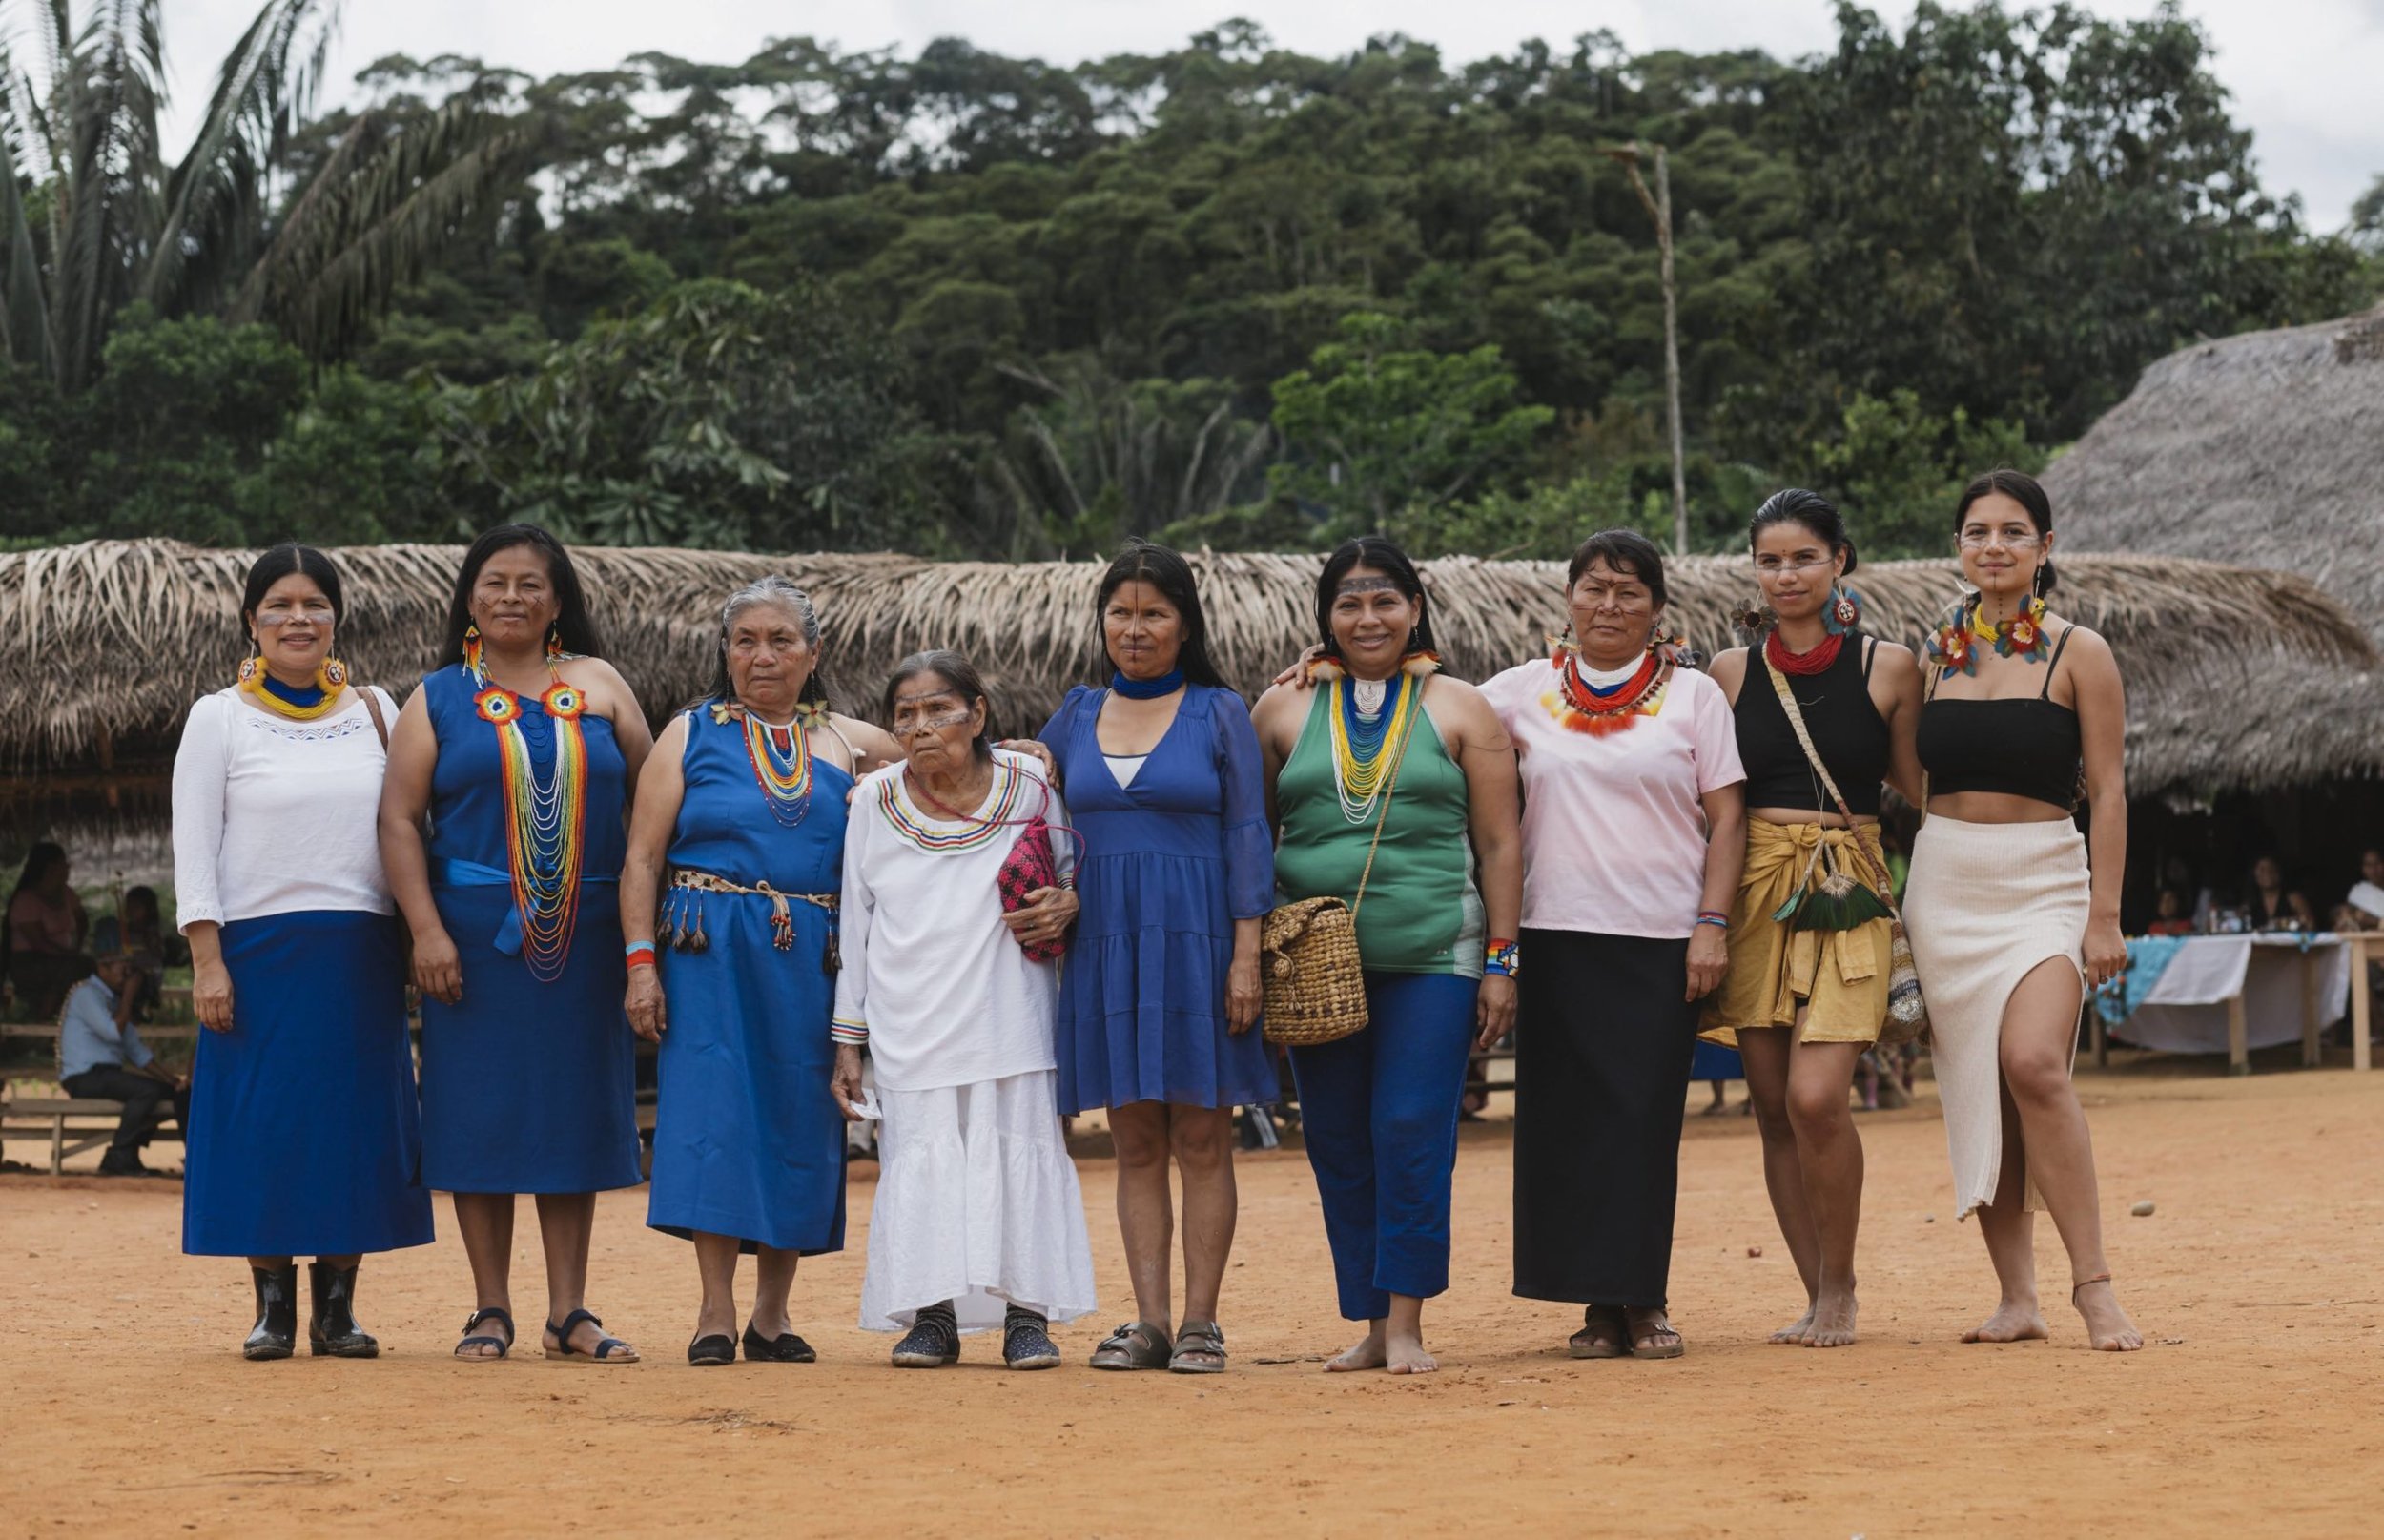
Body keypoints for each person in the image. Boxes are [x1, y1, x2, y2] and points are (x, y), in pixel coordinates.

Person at [380, 524, 652, 1365]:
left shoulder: (601, 684)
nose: (511, 597)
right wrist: (426, 931)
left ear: (557, 601)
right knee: (480, 1115)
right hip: (470, 946)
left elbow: (657, 795)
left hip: (589, 940)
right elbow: (396, 819)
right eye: (495, 582)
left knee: (572, 1114)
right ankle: (489, 1307)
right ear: (469, 597)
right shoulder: (436, 697)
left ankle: (569, 1310)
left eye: (531, 584)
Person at [1251, 536, 1522, 1376]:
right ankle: (1368, 1322)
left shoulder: (1463, 708)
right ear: (1325, 616)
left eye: (1385, 601)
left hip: (1436, 954)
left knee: (1409, 1124)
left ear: (1416, 608)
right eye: (1349, 603)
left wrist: (1503, 964)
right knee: (1335, 1135)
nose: (1368, 618)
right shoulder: (1281, 710)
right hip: (1314, 966)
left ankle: (1406, 1322)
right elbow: (1253, 840)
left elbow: (1501, 841)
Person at [1477, 529, 1746, 1361]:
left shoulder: (1695, 696)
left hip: (1663, 937)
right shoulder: (1520, 692)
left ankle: (1644, 1300)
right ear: (1568, 598)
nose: (1609, 604)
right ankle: (1596, 1305)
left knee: (1642, 1121)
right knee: (1563, 1124)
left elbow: (1728, 816)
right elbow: (1429, 712)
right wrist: (1321, 667)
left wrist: (1711, 922)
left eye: (1630, 591)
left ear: (1658, 608)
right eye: (1594, 587)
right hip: (1554, 932)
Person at [622, 577, 897, 1367]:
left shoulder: (851, 743)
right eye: (745, 640)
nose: (762, 655)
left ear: (814, 654)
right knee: (715, 1117)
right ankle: (715, 1311)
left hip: (812, 958)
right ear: (725, 651)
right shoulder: (689, 735)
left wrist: (1021, 751)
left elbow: (948, 759)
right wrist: (641, 966)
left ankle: (772, 1316)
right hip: (706, 950)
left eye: (781, 640)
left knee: (798, 1115)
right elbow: (641, 856)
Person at [173, 543, 434, 1359]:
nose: (298, 618)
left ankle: (339, 1309)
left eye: (314, 604)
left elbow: (409, 831)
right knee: (266, 1126)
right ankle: (273, 1308)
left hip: (358, 949)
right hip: (256, 952)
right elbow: (194, 845)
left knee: (352, 1124)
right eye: (279, 604)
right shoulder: (218, 716)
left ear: (336, 618)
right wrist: (207, 958)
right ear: (251, 621)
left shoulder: (378, 711)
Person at [1902, 468, 2142, 1351]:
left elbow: (2110, 792)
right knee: (1977, 1086)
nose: (1993, 546)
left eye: (2013, 532)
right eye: (1977, 532)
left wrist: (2105, 914)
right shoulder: (1933, 651)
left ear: (2045, 547)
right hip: (1945, 880)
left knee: (2034, 1063)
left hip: (2045, 877)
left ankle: (2096, 1286)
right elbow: (1906, 776)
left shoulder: (2082, 651)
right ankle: (2017, 1296)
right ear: (1958, 548)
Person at [1032, 542, 1273, 1375]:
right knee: (1134, 1141)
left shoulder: (1219, 712)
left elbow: (1249, 838)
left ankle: (1203, 1322)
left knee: (1204, 1138)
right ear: (1103, 621)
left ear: (1184, 623)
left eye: (1154, 613)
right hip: (1105, 946)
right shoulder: (1070, 716)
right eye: (1122, 613)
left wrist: (1247, 956)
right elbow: (1028, 824)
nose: (1135, 629)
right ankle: (1149, 1322)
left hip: (1201, 945)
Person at [1700, 490, 1923, 1349]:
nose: (1785, 573)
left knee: (1816, 1095)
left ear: (1840, 561)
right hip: (1757, 886)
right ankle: (1813, 1290)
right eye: (1769, 559)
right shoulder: (1726, 671)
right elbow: (1702, 799)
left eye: (1803, 557)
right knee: (1771, 1106)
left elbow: (1919, 787)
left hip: (1850, 886)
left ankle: (1843, 1283)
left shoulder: (1891, 666)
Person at [831, 650, 1097, 1369]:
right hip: (909, 1020)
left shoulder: (1031, 784)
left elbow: (1069, 880)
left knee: (1021, 1151)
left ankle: (1027, 1315)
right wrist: (848, 1041)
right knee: (921, 1156)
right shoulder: (875, 802)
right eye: (905, 715)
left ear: (978, 714)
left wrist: (1064, 903)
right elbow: (855, 927)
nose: (920, 727)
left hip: (1013, 1013)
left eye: (938, 709)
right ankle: (932, 1315)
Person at [58, 955, 188, 1177]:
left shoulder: (113, 1001)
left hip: (106, 1075)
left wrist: (172, 1080)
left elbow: (137, 1052)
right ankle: (119, 1154)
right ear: (103, 968)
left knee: (172, 1093)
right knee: (147, 1091)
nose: (127, 976)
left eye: (130, 971)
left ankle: (131, 1153)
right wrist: (129, 996)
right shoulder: (87, 994)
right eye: (123, 969)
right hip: (84, 1077)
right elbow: (112, 1032)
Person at [5, 842, 90, 1018]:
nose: (67, 868)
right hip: (29, 963)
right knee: (74, 968)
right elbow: (38, 942)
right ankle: (43, 1017)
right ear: (51, 868)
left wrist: (77, 946)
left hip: (60, 958)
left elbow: (82, 920)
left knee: (88, 966)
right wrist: (68, 956)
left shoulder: (66, 893)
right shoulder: (26, 900)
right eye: (64, 864)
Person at [92, 886, 182, 1022]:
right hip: (125, 975)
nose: (130, 911)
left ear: (148, 909)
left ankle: (129, 1012)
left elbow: (154, 958)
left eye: (136, 907)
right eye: (128, 906)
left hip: (147, 979)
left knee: (133, 979)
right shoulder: (123, 932)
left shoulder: (152, 934)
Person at [2245, 856, 2316, 933]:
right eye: (2262, 869)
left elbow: (2311, 925)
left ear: (2279, 872)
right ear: (2254, 875)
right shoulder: (2250, 904)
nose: (2267, 872)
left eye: (2271, 868)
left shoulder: (2294, 899)